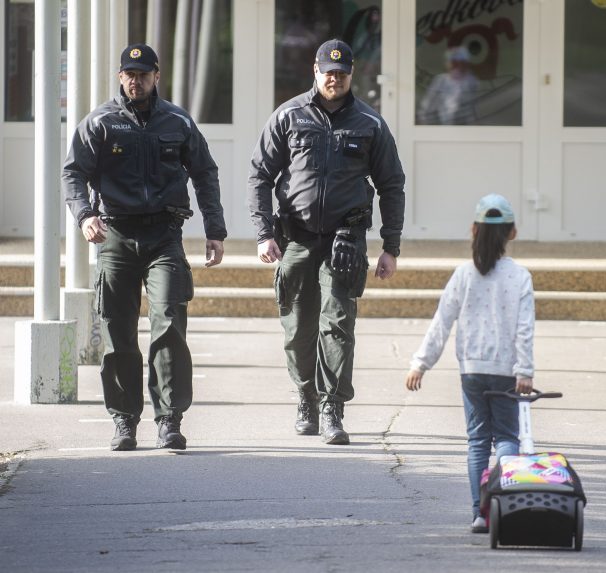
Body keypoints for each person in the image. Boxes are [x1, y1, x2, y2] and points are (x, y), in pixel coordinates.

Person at [62, 43, 227, 452]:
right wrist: (85, 215)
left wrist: (215, 229)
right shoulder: (100, 122)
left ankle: (170, 419)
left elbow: (205, 173)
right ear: (121, 77)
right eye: (129, 74)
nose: (136, 81)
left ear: (157, 76)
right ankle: (124, 420)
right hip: (115, 235)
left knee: (169, 323)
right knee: (119, 332)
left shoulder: (177, 122)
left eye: (143, 74)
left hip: (164, 236)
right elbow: (73, 174)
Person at [248, 39, 405, 445]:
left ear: (351, 75)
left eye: (341, 72)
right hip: (295, 239)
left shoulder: (370, 124)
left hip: (345, 240)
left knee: (337, 325)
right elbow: (260, 175)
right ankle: (306, 397)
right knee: (298, 327)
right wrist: (264, 233)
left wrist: (391, 246)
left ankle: (333, 406)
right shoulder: (289, 116)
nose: (334, 78)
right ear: (315, 72)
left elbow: (392, 185)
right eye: (327, 71)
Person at [405, 193, 535, 533]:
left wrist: (421, 363)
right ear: (513, 233)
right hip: (507, 371)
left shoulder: (463, 275)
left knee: (478, 440)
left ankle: (479, 512)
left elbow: (442, 321)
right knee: (507, 437)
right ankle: (504, 506)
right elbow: (524, 328)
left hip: (472, 371)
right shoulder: (520, 276)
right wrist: (524, 370)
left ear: (473, 231)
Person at [417, 45, 480, 125]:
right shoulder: (441, 80)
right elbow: (427, 108)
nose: (458, 67)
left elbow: (476, 109)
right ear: (448, 64)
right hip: (444, 128)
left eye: (461, 63)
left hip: (468, 130)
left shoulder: (472, 81)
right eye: (454, 63)